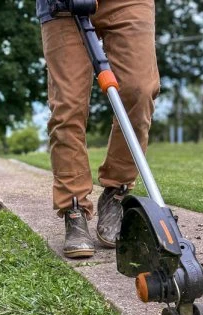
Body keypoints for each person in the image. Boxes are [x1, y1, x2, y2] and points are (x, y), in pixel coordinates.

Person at [36, 0, 160, 258]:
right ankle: (74, 209)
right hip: (62, 6)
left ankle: (117, 190)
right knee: (68, 106)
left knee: (140, 90)